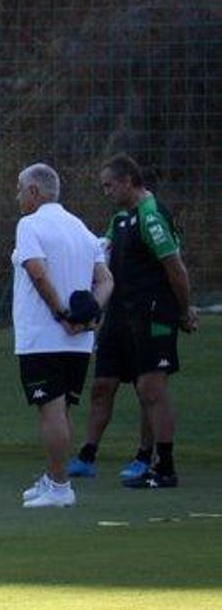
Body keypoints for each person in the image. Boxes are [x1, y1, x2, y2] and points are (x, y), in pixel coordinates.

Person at [71, 155, 197, 489]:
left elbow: (176, 268)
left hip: (153, 313)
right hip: (120, 316)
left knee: (150, 388)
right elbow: (102, 253)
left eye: (109, 185)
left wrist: (184, 310)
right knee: (102, 384)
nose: (106, 192)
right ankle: (86, 456)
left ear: (128, 181)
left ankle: (160, 465)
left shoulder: (151, 217)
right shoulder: (121, 219)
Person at [11, 163, 113, 509]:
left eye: (20, 189)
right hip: (78, 342)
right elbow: (106, 280)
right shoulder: (82, 229)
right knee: (61, 409)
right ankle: (55, 476)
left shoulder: (29, 225)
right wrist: (90, 315)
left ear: (34, 191)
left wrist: (62, 314)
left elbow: (38, 274)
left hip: (43, 337)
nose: (18, 196)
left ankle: (59, 487)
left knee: (50, 410)